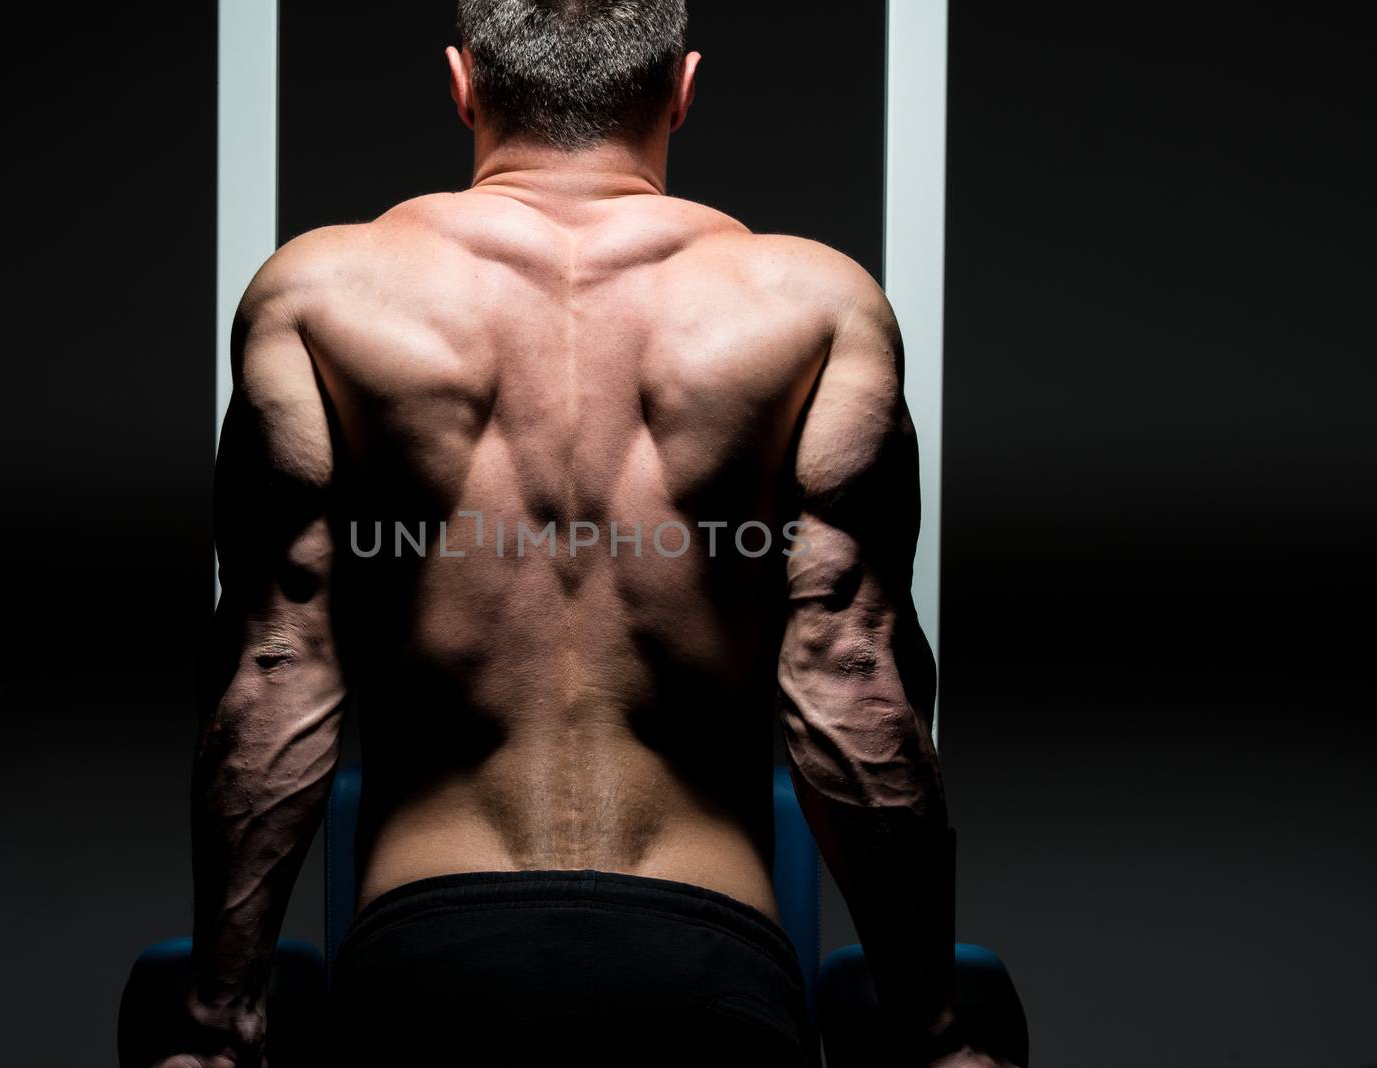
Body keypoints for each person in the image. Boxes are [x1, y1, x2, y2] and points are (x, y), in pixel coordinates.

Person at [164, 2, 1011, 1065]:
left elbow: (277, 665)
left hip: (428, 959)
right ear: (681, 89)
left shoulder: (323, 297)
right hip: (704, 963)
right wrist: (928, 1029)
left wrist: (220, 1015)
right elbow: (847, 673)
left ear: (463, 82)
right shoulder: (813, 306)